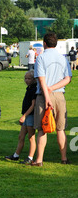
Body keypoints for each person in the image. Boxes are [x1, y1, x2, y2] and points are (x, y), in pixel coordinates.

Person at [32, 32, 72, 166]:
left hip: (44, 96)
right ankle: (64, 158)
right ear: (56, 43)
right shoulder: (63, 59)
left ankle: (39, 160)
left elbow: (42, 80)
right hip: (60, 96)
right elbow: (68, 79)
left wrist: (48, 93)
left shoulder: (41, 58)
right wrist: (54, 87)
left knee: (42, 129)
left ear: (44, 43)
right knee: (61, 129)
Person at [5, 71, 37, 164]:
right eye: (25, 78)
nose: (26, 80)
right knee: (21, 136)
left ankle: (30, 158)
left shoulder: (34, 89)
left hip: (30, 116)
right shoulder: (29, 88)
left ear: (34, 79)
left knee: (31, 137)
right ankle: (16, 155)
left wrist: (24, 116)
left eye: (29, 78)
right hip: (26, 116)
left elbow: (33, 105)